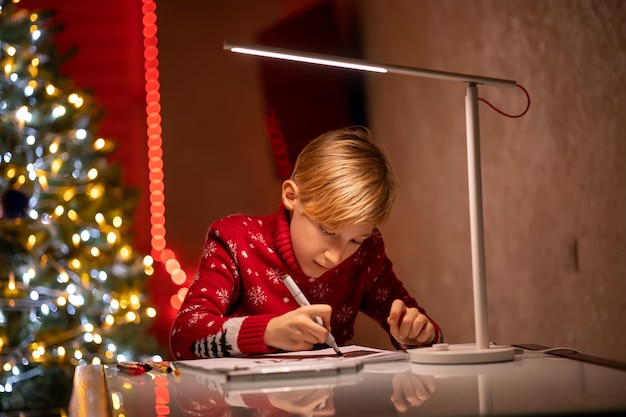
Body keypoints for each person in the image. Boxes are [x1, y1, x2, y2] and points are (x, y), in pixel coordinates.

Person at [170, 126, 443, 359]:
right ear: (291, 196)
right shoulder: (235, 240)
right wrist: (268, 332)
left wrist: (418, 334)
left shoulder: (366, 254)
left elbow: (423, 329)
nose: (336, 257)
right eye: (327, 231)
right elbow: (185, 335)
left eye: (355, 240)